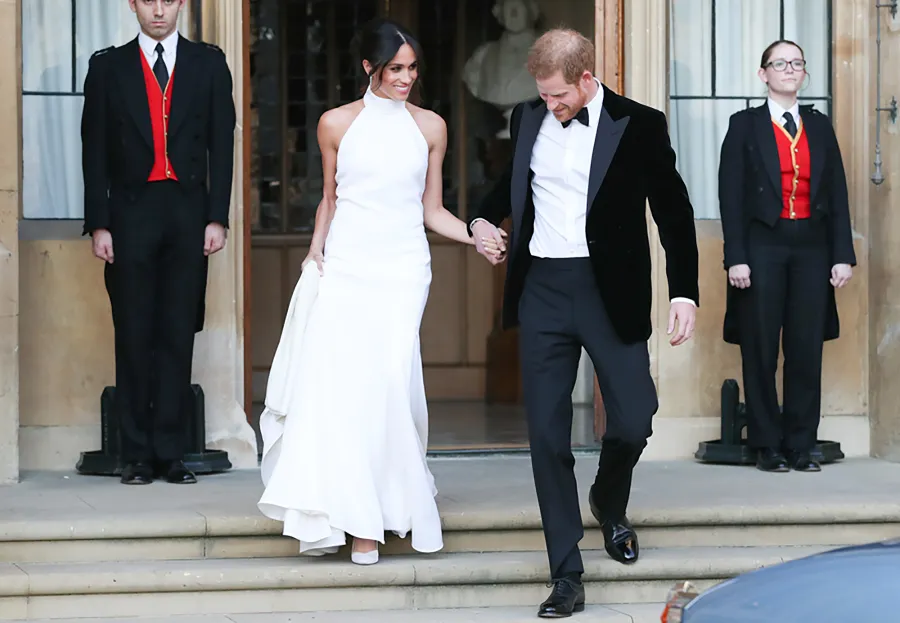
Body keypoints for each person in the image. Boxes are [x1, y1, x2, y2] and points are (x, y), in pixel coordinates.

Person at [256, 18, 504, 566]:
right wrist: (316, 251)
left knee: (390, 385)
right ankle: (356, 522)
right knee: (348, 390)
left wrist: (475, 233)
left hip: (402, 270)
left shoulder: (432, 127)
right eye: (396, 68)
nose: (406, 78)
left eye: (412, 68)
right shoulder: (335, 124)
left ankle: (383, 512)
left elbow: (432, 210)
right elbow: (330, 197)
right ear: (369, 67)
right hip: (347, 265)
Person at [470, 28, 699, 618]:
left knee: (634, 418)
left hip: (609, 294)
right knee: (546, 437)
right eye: (543, 96)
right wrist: (479, 221)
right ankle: (566, 573)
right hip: (543, 290)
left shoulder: (639, 125)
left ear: (587, 79)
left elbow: (674, 213)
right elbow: (500, 189)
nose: (550, 106)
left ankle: (608, 499)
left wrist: (685, 293)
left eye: (559, 96)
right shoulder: (526, 120)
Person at [81, 0, 236, 485]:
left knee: (175, 331)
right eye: (149, 0)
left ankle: (172, 453)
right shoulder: (108, 67)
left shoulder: (209, 63)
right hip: (129, 214)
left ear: (182, 4)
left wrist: (217, 217)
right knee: (132, 334)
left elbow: (222, 145)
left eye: (168, 0)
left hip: (188, 214)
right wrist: (99, 222)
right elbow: (94, 150)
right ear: (133, 5)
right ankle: (137, 455)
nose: (159, 10)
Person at [719, 40, 855, 473]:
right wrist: (735, 256)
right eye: (780, 63)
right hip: (762, 246)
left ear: (804, 73)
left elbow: (836, 193)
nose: (790, 69)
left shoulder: (818, 125)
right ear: (764, 74)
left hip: (812, 248)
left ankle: (800, 443)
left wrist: (842, 255)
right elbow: (731, 196)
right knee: (760, 347)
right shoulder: (744, 125)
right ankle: (766, 444)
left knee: (805, 347)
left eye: (797, 62)